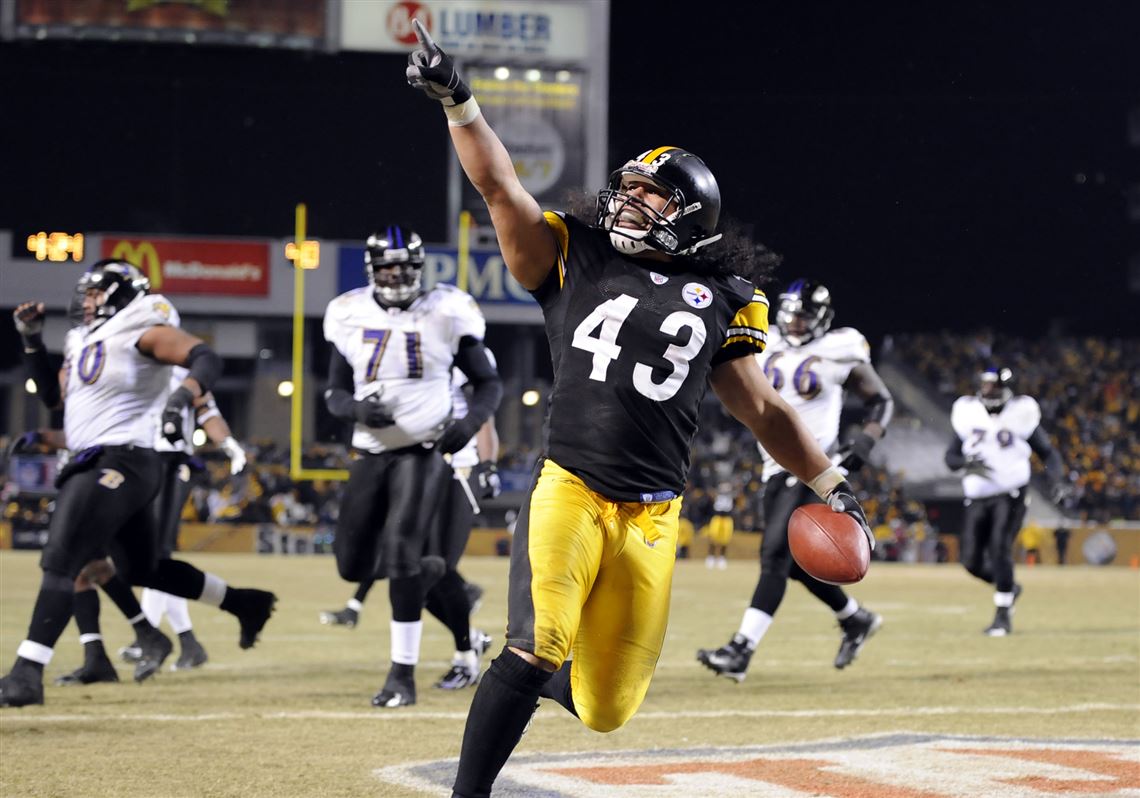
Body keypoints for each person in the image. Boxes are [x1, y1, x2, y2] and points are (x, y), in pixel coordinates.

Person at [405, 22, 875, 797]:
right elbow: (499, 186)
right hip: (572, 486)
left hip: (654, 516)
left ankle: (517, 682)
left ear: (688, 212)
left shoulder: (731, 297)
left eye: (649, 191)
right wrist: (459, 102)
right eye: (629, 186)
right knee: (539, 644)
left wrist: (829, 483)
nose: (627, 198)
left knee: (605, 707)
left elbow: (761, 408)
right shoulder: (574, 251)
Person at [0, 260, 276, 708]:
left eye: (94, 293)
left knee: (63, 556)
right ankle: (245, 604)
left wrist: (184, 394)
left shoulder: (139, 329)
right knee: (143, 569)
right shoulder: (85, 340)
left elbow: (205, 356)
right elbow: (53, 397)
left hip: (125, 458)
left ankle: (27, 673)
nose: (85, 302)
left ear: (117, 295)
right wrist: (31, 340)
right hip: (98, 457)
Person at [322, 225, 503, 708]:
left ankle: (410, 669)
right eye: (388, 266)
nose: (397, 275)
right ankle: (459, 624)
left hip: (433, 452)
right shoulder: (348, 313)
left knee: (411, 556)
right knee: (357, 563)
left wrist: (481, 449)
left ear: (420, 269)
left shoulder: (447, 314)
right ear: (372, 271)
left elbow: (487, 388)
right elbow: (334, 393)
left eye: (405, 266)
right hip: (373, 451)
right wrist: (357, 410)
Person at [697, 279, 894, 681]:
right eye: (793, 315)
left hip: (815, 465)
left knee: (773, 555)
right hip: (772, 466)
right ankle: (854, 618)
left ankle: (741, 650)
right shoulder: (763, 339)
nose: (798, 323)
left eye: (806, 316)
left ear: (822, 318)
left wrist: (865, 442)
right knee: (795, 563)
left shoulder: (841, 348)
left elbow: (881, 399)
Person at [120, 370, 249, 671]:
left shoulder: (185, 375)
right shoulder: (130, 361)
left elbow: (207, 413)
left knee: (155, 557)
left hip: (171, 464)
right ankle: (188, 643)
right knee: (149, 559)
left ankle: (147, 637)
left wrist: (230, 446)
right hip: (135, 462)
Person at [944, 366, 1066, 635]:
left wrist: (1056, 481)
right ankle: (1009, 588)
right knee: (971, 561)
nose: (988, 391)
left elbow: (1048, 453)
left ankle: (1003, 616)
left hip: (1010, 492)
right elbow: (950, 458)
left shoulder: (1020, 414)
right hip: (977, 496)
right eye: (985, 385)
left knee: (999, 547)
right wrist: (966, 462)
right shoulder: (968, 412)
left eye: (994, 386)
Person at [704, 482, 735, 569]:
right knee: (713, 537)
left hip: (727, 518)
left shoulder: (732, 494)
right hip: (717, 517)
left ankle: (722, 558)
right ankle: (711, 557)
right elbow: (710, 493)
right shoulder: (716, 494)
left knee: (725, 539)